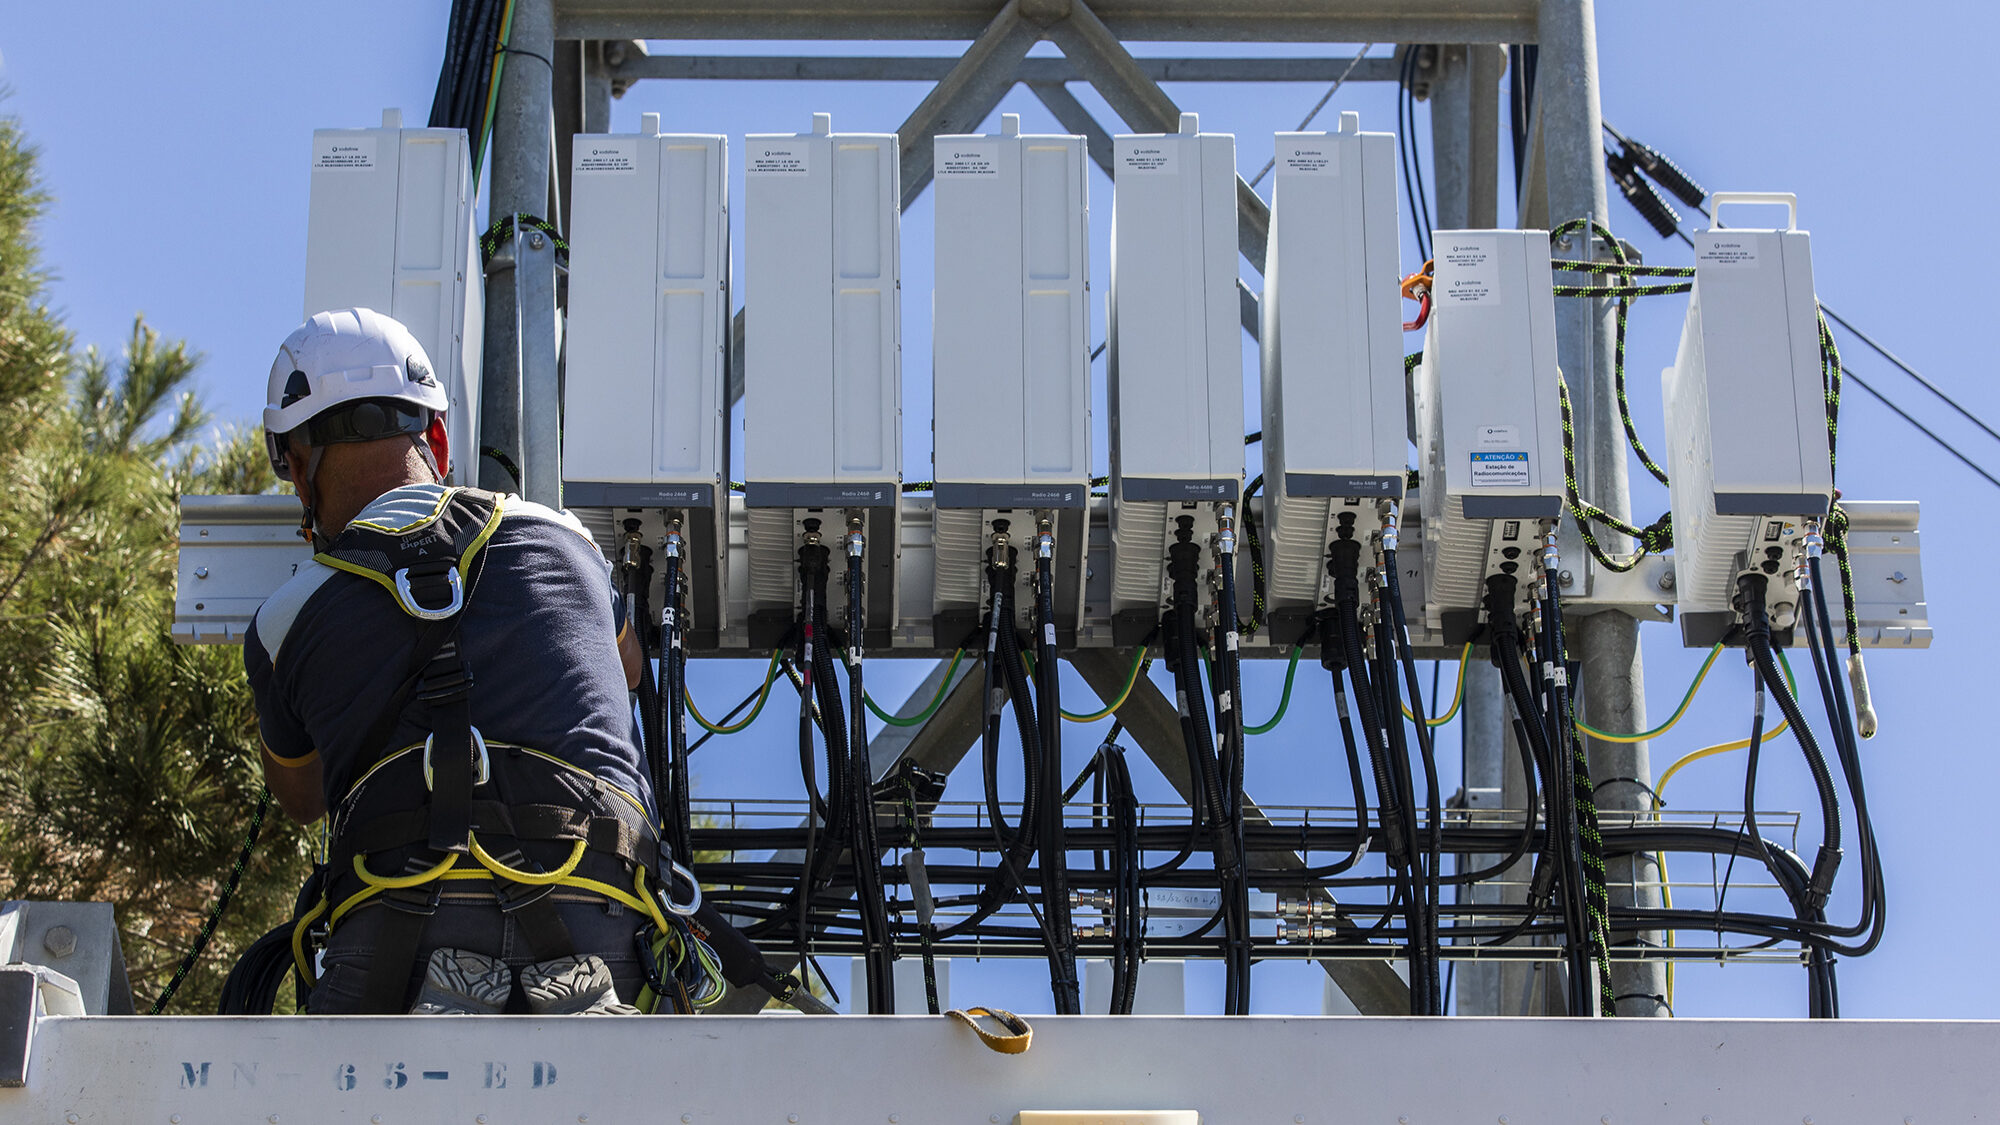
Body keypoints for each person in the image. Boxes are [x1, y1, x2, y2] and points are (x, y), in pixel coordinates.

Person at [244, 307, 665, 1015]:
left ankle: (445, 977)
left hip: (396, 917)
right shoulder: (568, 543)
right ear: (436, 433)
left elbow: (302, 796)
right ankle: (567, 976)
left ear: (296, 462)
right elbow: (627, 671)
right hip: (601, 902)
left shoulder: (285, 619)